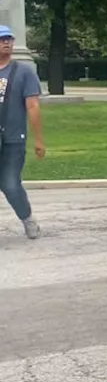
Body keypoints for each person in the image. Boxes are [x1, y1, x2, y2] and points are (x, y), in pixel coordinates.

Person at [0, 25, 43, 239]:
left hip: (13, 139)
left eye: (8, 39)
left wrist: (39, 140)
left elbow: (33, 106)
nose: (6, 43)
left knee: (10, 184)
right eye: (1, 39)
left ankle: (27, 218)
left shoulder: (23, 72)